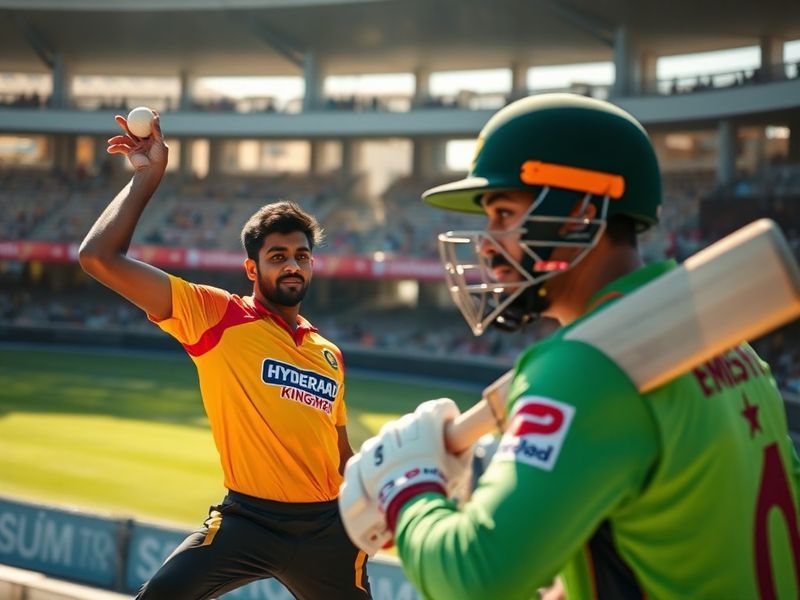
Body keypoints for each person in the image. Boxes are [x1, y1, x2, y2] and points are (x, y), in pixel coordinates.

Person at [339, 94, 800, 599]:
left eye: (504, 213)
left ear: (580, 212)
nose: (488, 243)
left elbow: (474, 579)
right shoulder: (737, 352)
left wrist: (409, 491)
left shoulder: (580, 367)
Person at [79, 112, 370, 599]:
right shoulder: (216, 315)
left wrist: (381, 497)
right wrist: (147, 178)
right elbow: (98, 258)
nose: (293, 265)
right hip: (248, 521)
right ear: (251, 269)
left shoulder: (328, 354)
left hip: (328, 529)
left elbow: (341, 457)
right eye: (277, 257)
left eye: (301, 256)